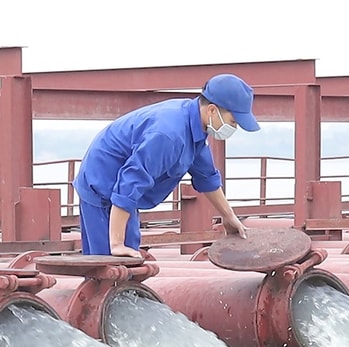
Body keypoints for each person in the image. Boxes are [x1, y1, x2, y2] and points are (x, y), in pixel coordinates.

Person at [74, 74, 258, 257]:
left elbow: (207, 177)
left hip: (123, 189)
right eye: (233, 122)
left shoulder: (195, 128)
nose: (234, 128)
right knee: (108, 263)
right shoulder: (169, 135)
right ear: (211, 110)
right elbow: (131, 182)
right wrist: (116, 244)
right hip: (100, 182)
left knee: (130, 256)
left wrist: (228, 216)